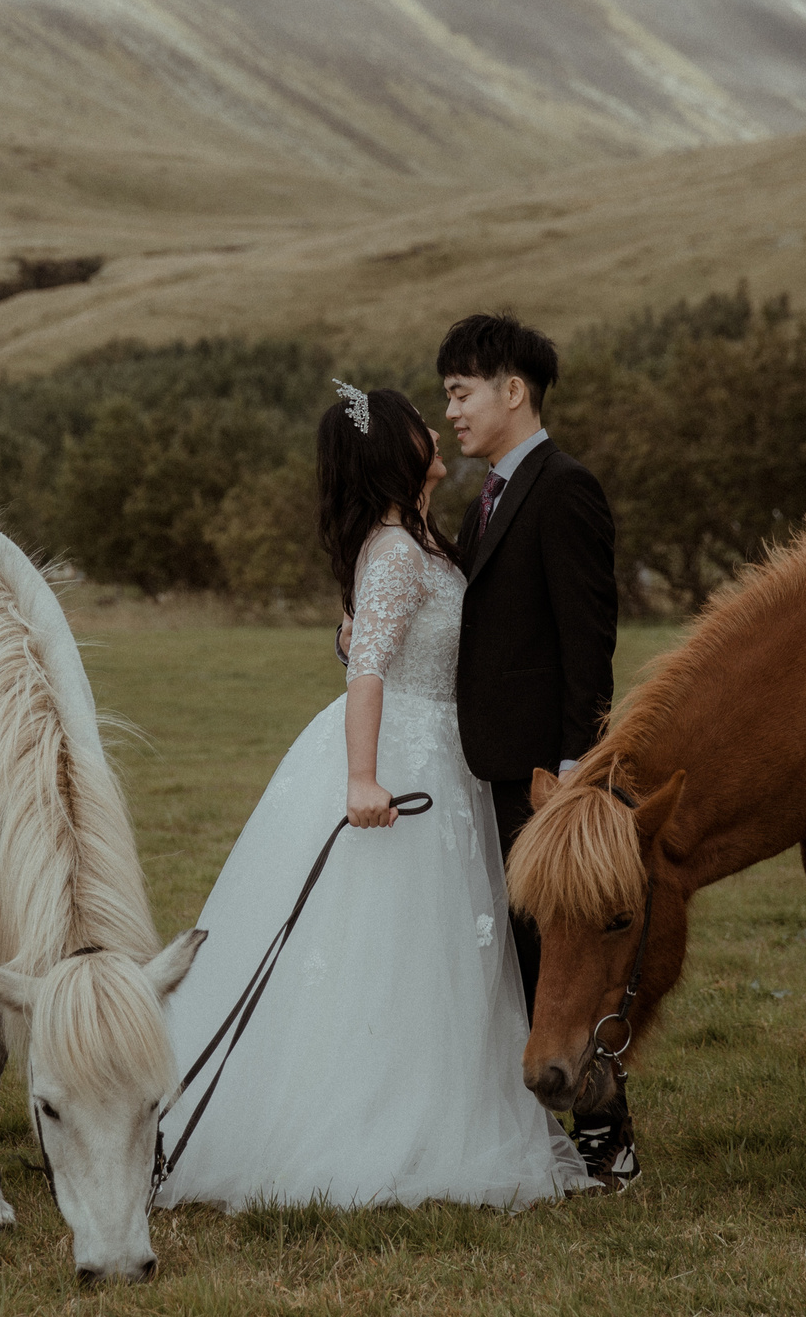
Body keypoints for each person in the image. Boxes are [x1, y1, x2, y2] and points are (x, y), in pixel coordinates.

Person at [154, 383, 591, 1212]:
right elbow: (367, 672)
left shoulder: (422, 541)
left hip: (445, 759)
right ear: (395, 450)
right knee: (393, 941)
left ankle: (440, 1105)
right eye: (419, 421)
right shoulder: (393, 551)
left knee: (443, 950)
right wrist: (361, 777)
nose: (436, 425)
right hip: (402, 756)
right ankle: (367, 1124)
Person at [438, 313, 636, 1193]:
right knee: (508, 953)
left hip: (543, 777)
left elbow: (589, 642)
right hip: (484, 766)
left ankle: (607, 1136)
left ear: (513, 390)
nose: (452, 411)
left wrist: (574, 767)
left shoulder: (565, 488)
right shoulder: (484, 498)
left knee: (549, 958)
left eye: (461, 392)